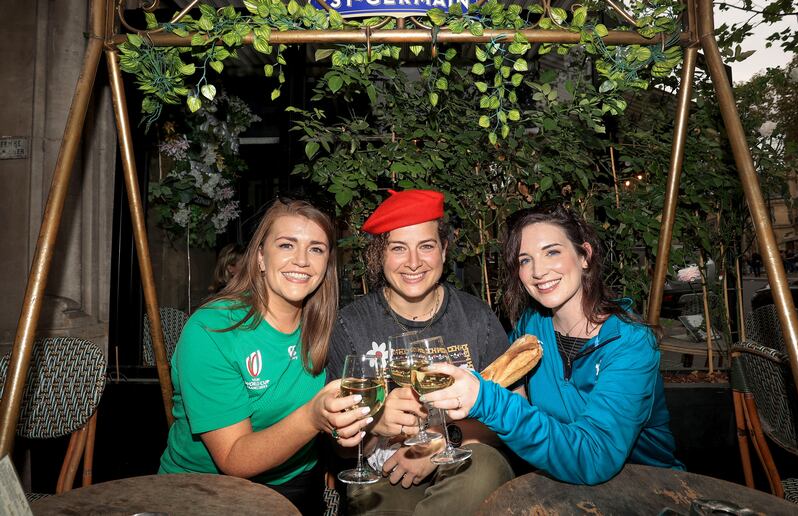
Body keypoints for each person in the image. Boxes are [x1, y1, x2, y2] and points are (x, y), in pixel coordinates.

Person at [424, 205, 684, 485]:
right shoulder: (531, 327)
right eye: (525, 260)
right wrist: (441, 435)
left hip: (648, 488)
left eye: (552, 252)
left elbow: (594, 456)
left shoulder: (630, 343)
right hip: (559, 484)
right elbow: (508, 401)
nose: (538, 271)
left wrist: (485, 399)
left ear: (584, 255)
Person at [159, 198, 373, 515]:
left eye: (316, 249)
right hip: (203, 493)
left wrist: (373, 426)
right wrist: (313, 417)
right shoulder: (212, 330)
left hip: (298, 486)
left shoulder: (326, 328)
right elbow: (234, 459)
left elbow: (344, 448)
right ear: (260, 257)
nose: (302, 260)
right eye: (286, 245)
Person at [327, 189, 515, 515]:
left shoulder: (476, 318)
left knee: (483, 467)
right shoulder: (351, 325)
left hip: (466, 455)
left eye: (426, 246)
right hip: (384, 470)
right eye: (398, 248)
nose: (413, 263)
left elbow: (515, 414)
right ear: (378, 256)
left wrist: (443, 439)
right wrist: (375, 424)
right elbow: (343, 450)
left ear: (443, 250)